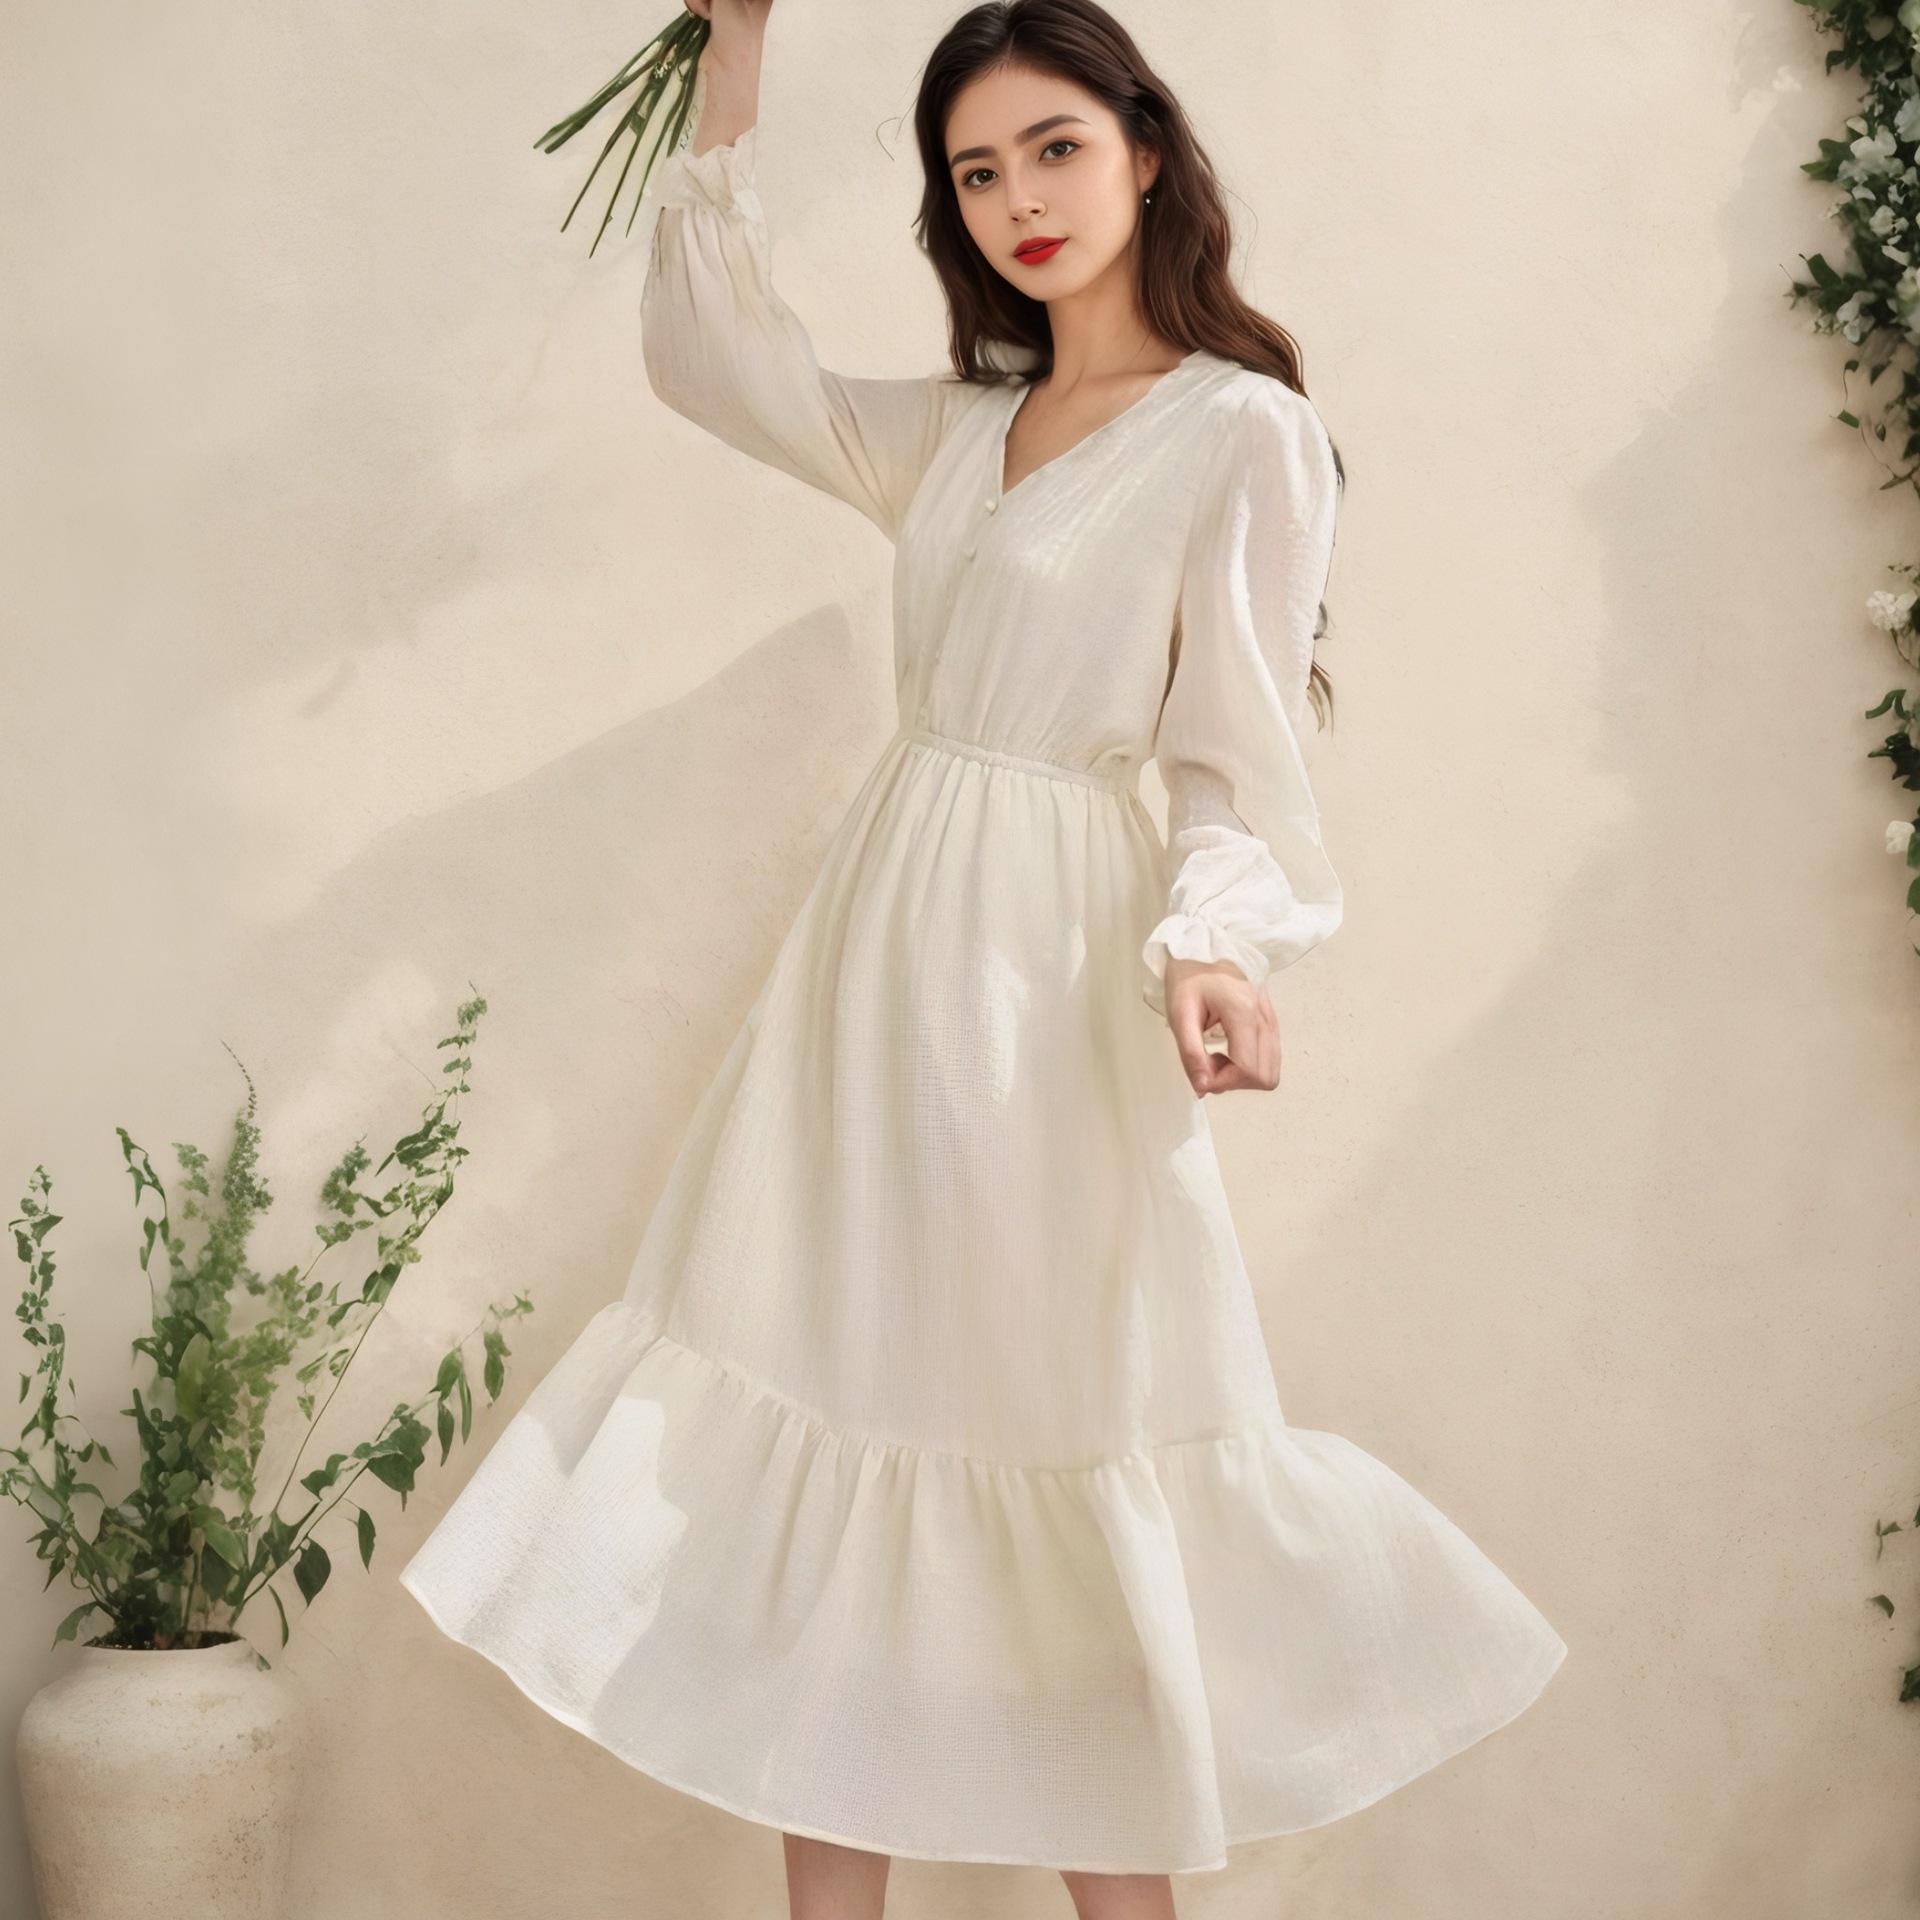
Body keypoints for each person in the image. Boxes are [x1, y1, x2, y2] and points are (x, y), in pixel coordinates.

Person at [398, 3, 1568, 1915]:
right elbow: (712, 356)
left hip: (1052, 982)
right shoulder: (955, 433)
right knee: (833, 1402)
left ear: (1146, 153)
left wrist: (1217, 945)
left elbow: (1234, 752)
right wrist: (735, 44)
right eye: (976, 170)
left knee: (1067, 1433)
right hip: (872, 976)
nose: (1020, 196)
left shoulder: (1243, 431)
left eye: (1056, 148)